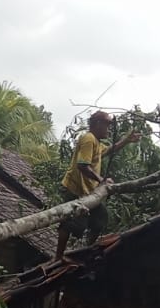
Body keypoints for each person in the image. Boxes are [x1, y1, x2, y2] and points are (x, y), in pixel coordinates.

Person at [56, 111, 141, 261]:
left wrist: (126, 141)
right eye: (107, 125)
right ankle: (58, 258)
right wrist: (101, 180)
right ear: (98, 124)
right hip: (75, 188)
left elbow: (107, 151)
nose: (108, 129)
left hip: (88, 191)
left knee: (100, 218)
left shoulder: (95, 141)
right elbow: (82, 165)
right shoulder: (88, 139)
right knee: (70, 223)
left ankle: (85, 251)